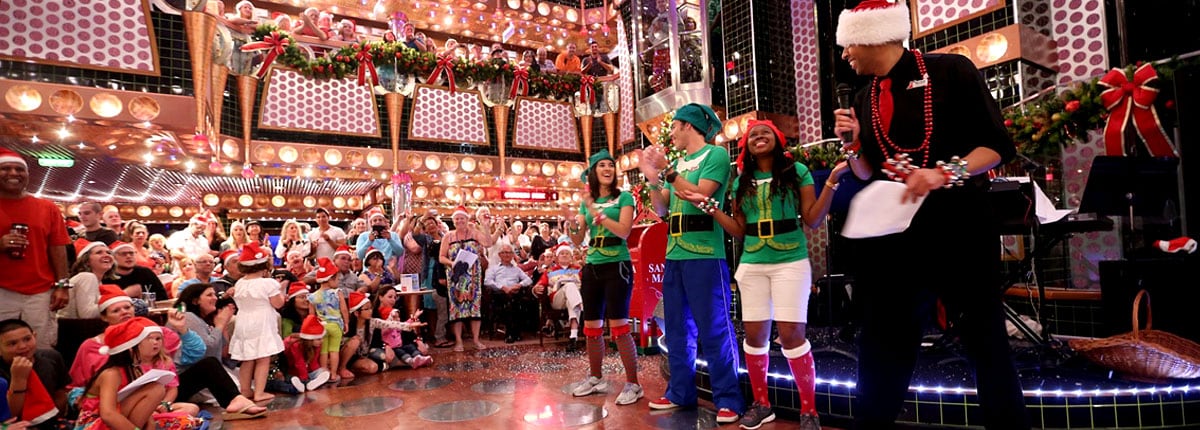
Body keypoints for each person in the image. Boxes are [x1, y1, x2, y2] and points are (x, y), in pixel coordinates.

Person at [832, 1, 1029, 428]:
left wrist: (942, 173)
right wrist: (852, 147)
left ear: (872, 37)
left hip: (960, 226)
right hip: (897, 235)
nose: (845, 55)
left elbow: (997, 146)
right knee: (883, 340)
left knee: (985, 340)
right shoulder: (866, 96)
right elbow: (870, 172)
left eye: (848, 45)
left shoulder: (950, 71)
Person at [680, 120, 847, 429]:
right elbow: (739, 230)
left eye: (765, 132)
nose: (758, 136)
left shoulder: (796, 171)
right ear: (746, 146)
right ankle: (762, 404)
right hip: (752, 264)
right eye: (752, 134)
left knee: (791, 336)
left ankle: (809, 411)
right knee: (755, 337)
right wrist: (713, 210)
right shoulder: (740, 182)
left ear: (777, 139)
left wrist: (832, 182)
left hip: (790, 262)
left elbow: (812, 219)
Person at [637, 103, 742, 423]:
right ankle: (681, 391)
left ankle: (729, 398)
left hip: (705, 256)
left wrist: (667, 170)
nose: (671, 133)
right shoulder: (679, 162)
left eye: (674, 126)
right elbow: (663, 209)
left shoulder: (716, 156)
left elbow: (700, 194)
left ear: (688, 126)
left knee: (715, 329)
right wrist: (653, 178)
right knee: (679, 330)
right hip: (675, 254)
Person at [562, 149, 642, 405]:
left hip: (617, 265)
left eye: (611, 165)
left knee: (619, 328)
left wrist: (597, 212)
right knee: (592, 328)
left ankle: (633, 384)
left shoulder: (625, 197)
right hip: (592, 266)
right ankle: (596, 377)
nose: (608, 169)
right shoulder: (587, 201)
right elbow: (577, 239)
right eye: (602, 166)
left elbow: (624, 231)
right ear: (594, 172)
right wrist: (571, 224)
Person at [0, 149, 71, 348]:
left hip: (41, 292)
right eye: (5, 168)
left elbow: (58, 248)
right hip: (2, 290)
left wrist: (62, 286)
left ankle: (40, 380)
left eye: (19, 169)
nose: (13, 173)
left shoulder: (47, 208)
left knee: (41, 347)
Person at [73, 318, 169, 430]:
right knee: (156, 389)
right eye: (148, 339)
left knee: (157, 389)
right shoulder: (111, 374)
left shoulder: (134, 369)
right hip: (94, 423)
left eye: (158, 338)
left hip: (114, 418)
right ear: (131, 348)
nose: (155, 343)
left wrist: (150, 423)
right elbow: (108, 414)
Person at [228, 242, 285, 403]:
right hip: (262, 321)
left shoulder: (240, 283)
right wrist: (280, 292)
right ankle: (260, 392)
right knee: (263, 358)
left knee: (247, 358)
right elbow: (278, 304)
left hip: (243, 320)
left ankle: (245, 390)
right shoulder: (268, 283)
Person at [438, 206, 495, 352]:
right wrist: (452, 263)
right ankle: (459, 341)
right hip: (455, 277)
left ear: (467, 219)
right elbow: (441, 257)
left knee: (475, 307)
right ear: (453, 221)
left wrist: (486, 228)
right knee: (456, 308)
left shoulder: (474, 233)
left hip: (474, 276)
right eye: (456, 218)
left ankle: (476, 340)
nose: (459, 221)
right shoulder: (448, 236)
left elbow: (488, 243)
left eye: (462, 218)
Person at [0, 319, 68, 426]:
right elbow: (9, 415)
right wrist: (19, 379)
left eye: (27, 339)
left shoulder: (52, 357)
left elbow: (59, 394)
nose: (22, 346)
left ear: (35, 336)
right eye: (12, 343)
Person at [309, 257, 351, 381]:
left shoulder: (312, 296)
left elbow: (311, 316)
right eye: (337, 279)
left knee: (323, 351)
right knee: (334, 350)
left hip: (322, 326)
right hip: (336, 325)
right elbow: (344, 310)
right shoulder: (337, 292)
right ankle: (333, 373)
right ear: (330, 279)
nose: (338, 282)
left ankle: (324, 373)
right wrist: (346, 322)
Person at [482, 244, 532, 344]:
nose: (507, 255)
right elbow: (487, 281)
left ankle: (515, 332)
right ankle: (511, 333)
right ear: (500, 255)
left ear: (513, 255)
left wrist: (518, 285)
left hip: (515, 293)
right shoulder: (493, 268)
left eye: (509, 252)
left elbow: (528, 280)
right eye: (504, 252)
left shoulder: (516, 269)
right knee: (509, 300)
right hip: (499, 294)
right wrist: (502, 287)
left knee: (520, 300)